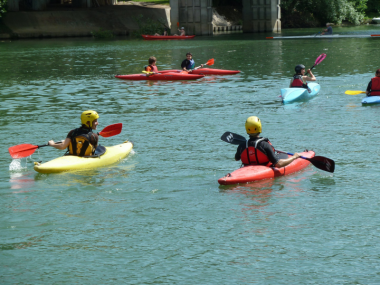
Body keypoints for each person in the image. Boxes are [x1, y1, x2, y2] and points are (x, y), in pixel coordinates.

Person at [235, 116, 300, 168]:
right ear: (260, 128)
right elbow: (278, 164)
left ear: (247, 129)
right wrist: (294, 157)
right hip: (264, 169)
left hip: (247, 169)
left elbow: (236, 159)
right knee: (282, 156)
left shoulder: (241, 145)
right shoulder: (265, 145)